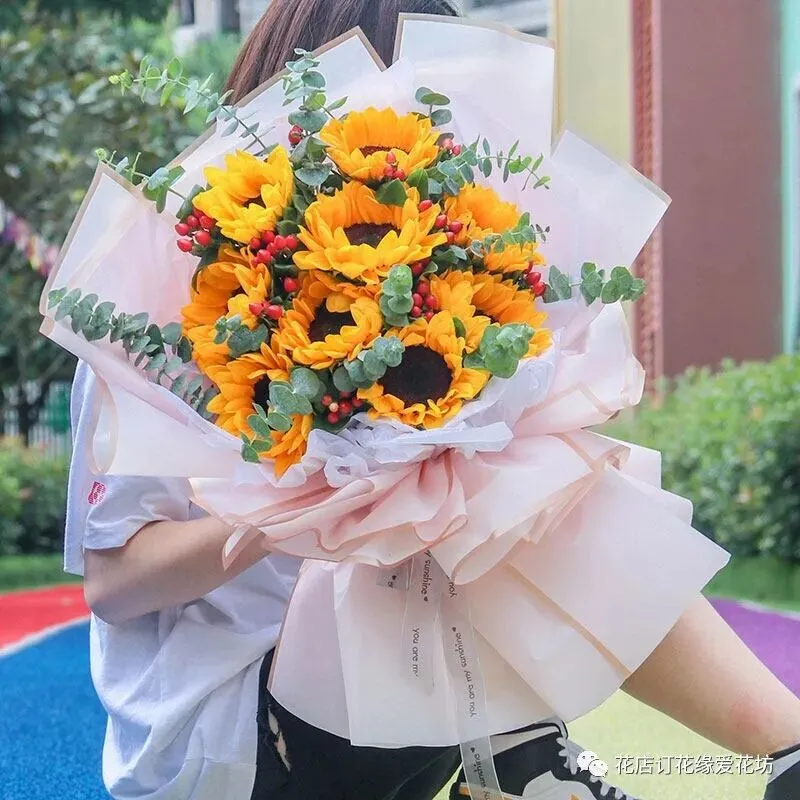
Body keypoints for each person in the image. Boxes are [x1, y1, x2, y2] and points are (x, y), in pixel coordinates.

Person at [66, 1, 800, 799]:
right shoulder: (162, 311)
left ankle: (747, 752)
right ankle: (531, 761)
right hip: (232, 747)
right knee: (463, 491)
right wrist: (290, 516)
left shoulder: (433, 291)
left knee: (517, 477)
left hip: (392, 709)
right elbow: (115, 584)